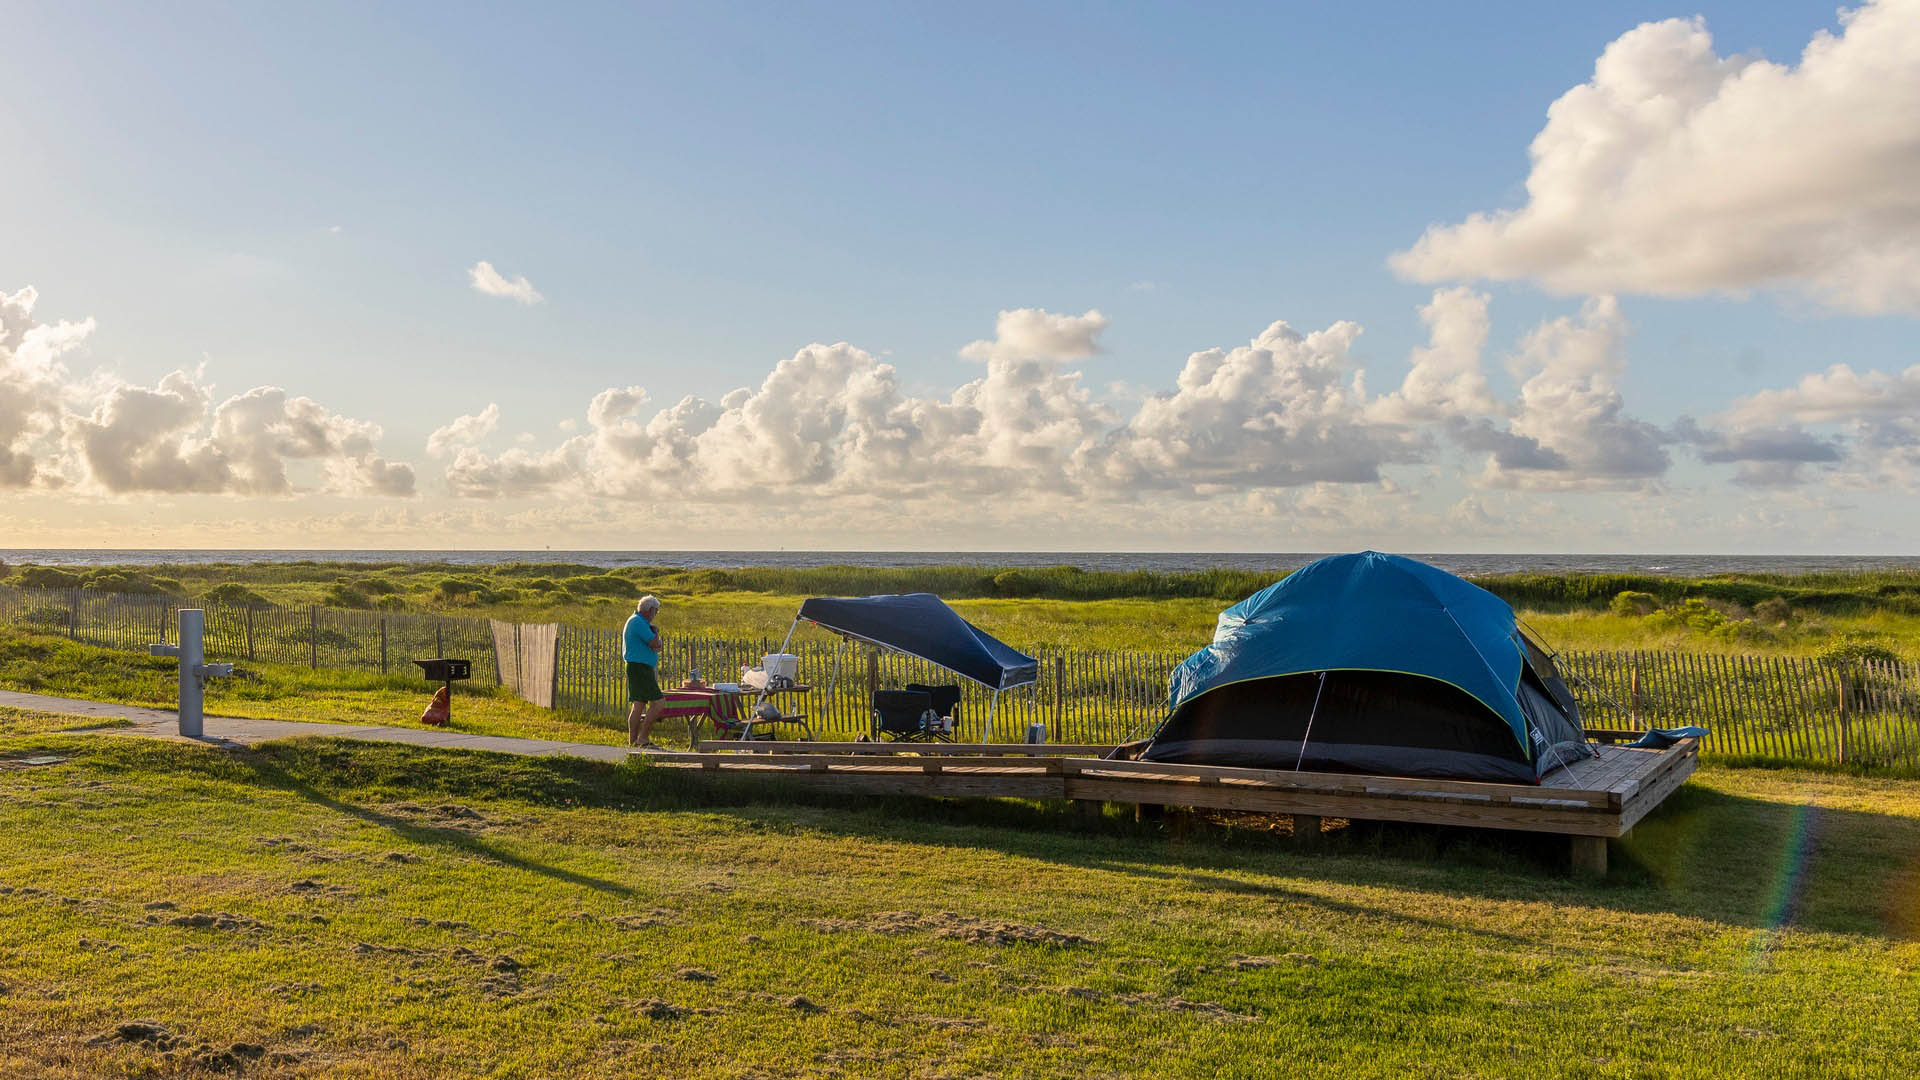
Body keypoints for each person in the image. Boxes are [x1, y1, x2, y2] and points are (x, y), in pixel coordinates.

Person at [624, 595, 665, 749]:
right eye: (656, 611)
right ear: (650, 610)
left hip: (637, 666)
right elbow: (655, 643)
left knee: (638, 704)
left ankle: (633, 741)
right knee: (659, 703)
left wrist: (655, 639)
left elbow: (657, 647)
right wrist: (656, 632)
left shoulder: (636, 621)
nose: (656, 614)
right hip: (640, 667)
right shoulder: (639, 622)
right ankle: (643, 737)